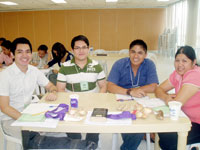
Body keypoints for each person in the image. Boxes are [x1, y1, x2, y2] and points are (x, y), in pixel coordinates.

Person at [107, 39, 159, 150]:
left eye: (140, 52)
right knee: (133, 127)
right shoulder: (119, 64)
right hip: (121, 102)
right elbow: (110, 86)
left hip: (142, 102)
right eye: (133, 52)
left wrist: (137, 91)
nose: (136, 55)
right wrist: (130, 92)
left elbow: (154, 86)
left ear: (145, 55)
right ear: (129, 53)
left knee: (141, 124)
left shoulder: (149, 64)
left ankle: (135, 140)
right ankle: (139, 137)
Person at [57, 35, 107, 147]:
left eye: (84, 47)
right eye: (77, 48)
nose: (81, 51)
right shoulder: (65, 67)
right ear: (72, 50)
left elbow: (103, 86)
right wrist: (71, 105)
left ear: (88, 49)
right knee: (74, 137)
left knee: (93, 134)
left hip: (93, 104)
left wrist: (97, 100)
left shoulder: (96, 66)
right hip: (72, 106)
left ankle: (92, 144)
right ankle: (75, 143)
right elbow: (60, 89)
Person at [155, 46, 200, 150]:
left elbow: (176, 103)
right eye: (177, 61)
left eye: (184, 61)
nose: (180, 64)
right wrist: (166, 97)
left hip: (197, 123)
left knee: (168, 140)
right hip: (185, 118)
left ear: (194, 62)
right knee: (163, 132)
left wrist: (169, 100)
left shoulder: (195, 75)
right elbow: (159, 89)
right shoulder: (178, 74)